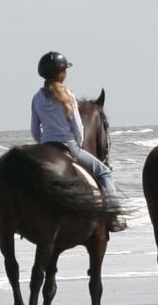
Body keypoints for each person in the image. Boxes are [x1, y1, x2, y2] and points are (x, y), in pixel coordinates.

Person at [31, 51, 126, 232]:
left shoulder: (37, 97)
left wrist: (43, 143)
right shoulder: (68, 95)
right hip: (68, 146)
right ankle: (114, 216)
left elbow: (35, 130)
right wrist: (79, 146)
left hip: (46, 146)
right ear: (62, 73)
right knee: (104, 172)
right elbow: (78, 128)